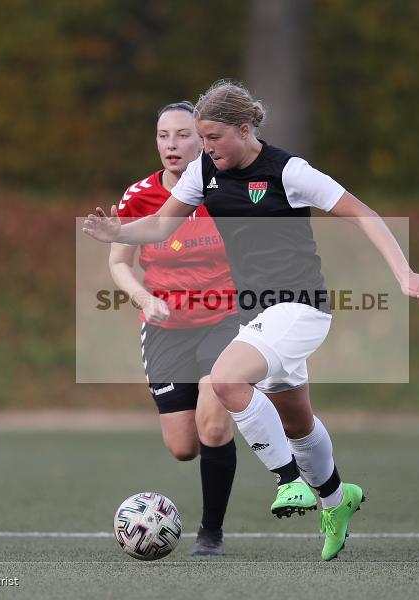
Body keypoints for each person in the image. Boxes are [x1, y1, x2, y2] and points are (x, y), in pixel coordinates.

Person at [84, 81, 419, 561]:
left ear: (244, 130)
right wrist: (118, 231)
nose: (204, 149)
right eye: (201, 140)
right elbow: (161, 225)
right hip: (257, 314)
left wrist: (405, 273)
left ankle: (288, 480)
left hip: (300, 306)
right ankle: (338, 500)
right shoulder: (204, 173)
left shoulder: (288, 170)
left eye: (211, 139)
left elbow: (362, 213)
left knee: (227, 380)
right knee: (298, 422)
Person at [108, 101, 239, 556]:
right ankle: (227, 432)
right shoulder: (139, 195)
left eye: (182, 135)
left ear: (202, 140)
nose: (172, 144)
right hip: (165, 329)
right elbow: (118, 262)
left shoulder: (225, 190)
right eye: (164, 136)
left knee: (213, 421)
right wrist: (146, 299)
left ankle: (211, 533)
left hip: (225, 320)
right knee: (184, 446)